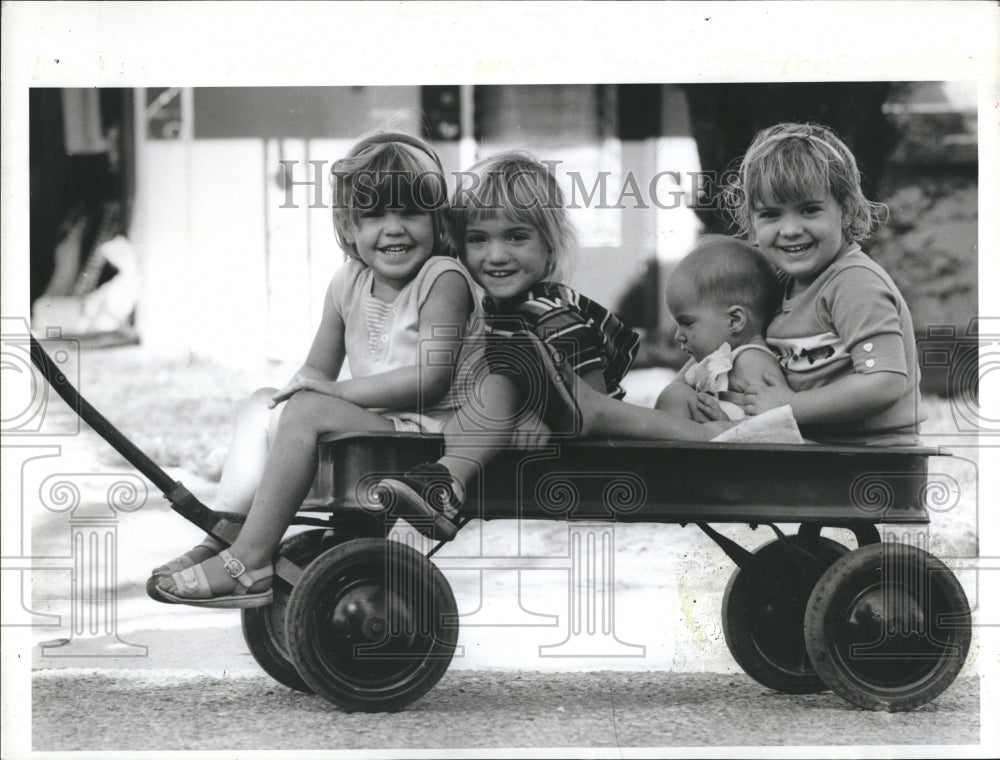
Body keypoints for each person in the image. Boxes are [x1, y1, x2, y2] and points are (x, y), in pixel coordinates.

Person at [151, 131, 476, 607]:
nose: (394, 229)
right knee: (262, 402)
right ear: (348, 226)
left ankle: (249, 563)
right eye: (374, 215)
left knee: (305, 411)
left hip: (427, 429)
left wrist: (328, 398)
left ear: (436, 219)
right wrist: (280, 411)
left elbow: (432, 380)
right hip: (378, 423)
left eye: (410, 212)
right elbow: (315, 370)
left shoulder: (442, 279)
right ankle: (224, 535)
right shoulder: (346, 283)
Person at [378, 152, 733, 541]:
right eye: (478, 239)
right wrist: (518, 414)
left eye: (516, 237)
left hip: (597, 434)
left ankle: (448, 482)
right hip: (563, 417)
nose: (496, 256)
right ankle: (445, 476)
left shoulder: (548, 313)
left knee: (505, 375)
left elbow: (592, 402)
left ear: (549, 245)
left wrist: (537, 418)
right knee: (486, 391)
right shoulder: (494, 310)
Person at [719, 122, 922, 446]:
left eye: (809, 210)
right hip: (821, 450)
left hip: (869, 459)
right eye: (771, 214)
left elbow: (883, 381)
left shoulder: (853, 283)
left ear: (847, 210)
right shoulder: (782, 283)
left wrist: (791, 406)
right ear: (751, 220)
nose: (790, 229)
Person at [654, 235, 785, 423]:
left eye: (687, 322)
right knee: (675, 394)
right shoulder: (719, 356)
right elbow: (675, 387)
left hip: (736, 445)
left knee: (675, 396)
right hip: (717, 442)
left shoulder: (751, 361)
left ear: (734, 321)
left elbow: (774, 425)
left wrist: (725, 424)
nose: (678, 336)